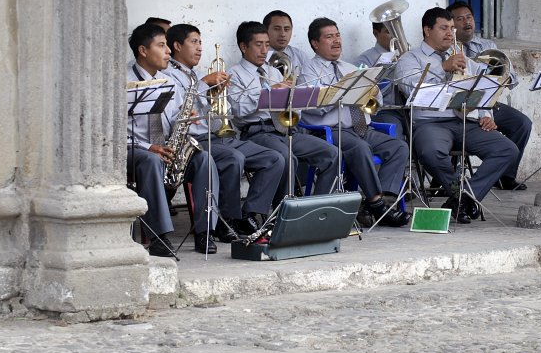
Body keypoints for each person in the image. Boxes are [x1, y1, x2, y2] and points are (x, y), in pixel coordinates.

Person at [395, 7, 519, 222]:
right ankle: (460, 196)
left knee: (507, 149)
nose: (450, 33)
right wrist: (442, 68)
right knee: (431, 152)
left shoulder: (462, 57)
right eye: (444, 28)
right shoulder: (410, 59)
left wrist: (485, 114)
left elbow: (481, 88)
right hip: (429, 123)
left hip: (465, 122)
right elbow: (411, 89)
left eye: (452, 28)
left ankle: (464, 198)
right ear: (427, 30)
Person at [164, 24, 284, 239]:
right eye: (194, 42)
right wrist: (203, 85)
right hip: (193, 142)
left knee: (274, 158)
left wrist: (218, 96)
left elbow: (220, 110)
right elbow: (179, 109)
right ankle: (226, 221)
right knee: (233, 158)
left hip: (220, 136)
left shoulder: (200, 73)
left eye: (201, 42)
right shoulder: (169, 76)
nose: (200, 48)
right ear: (177, 46)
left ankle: (250, 213)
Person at [302, 17, 410, 227]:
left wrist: (373, 89)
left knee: (399, 146)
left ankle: (385, 200)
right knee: (360, 148)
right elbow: (314, 105)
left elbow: (374, 102)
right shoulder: (309, 71)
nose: (336, 41)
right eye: (329, 37)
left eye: (338, 35)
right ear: (315, 43)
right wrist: (342, 92)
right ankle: (376, 203)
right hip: (331, 130)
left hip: (361, 126)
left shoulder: (349, 67)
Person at [126, 23, 219, 256]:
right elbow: (111, 132)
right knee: (150, 160)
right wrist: (150, 147)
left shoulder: (168, 82)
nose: (168, 51)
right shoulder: (123, 82)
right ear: (143, 50)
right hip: (132, 150)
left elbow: (177, 116)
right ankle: (160, 236)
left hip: (165, 148)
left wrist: (187, 120)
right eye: (161, 45)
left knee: (204, 159)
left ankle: (204, 231)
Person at [228, 21, 340, 208]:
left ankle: (319, 207)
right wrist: (270, 93)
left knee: (331, 153)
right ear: (243, 46)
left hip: (285, 130)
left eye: (266, 44)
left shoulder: (274, 72)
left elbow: (294, 109)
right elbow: (238, 109)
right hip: (257, 132)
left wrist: (295, 97)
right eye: (258, 44)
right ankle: (282, 211)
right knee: (288, 158)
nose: (264, 50)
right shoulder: (234, 74)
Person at [447, 0, 532, 190]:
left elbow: (511, 75)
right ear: (451, 25)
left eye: (469, 17)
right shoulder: (447, 48)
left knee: (522, 124)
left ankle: (505, 176)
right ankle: (449, 176)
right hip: (460, 107)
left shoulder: (488, 44)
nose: (467, 22)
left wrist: (502, 79)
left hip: (487, 105)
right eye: (460, 19)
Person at [354, 22, 406, 140]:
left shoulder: (409, 55)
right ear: (375, 33)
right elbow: (361, 92)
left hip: (408, 109)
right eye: (388, 32)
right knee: (397, 137)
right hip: (385, 110)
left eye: (396, 32)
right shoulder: (364, 59)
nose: (394, 36)